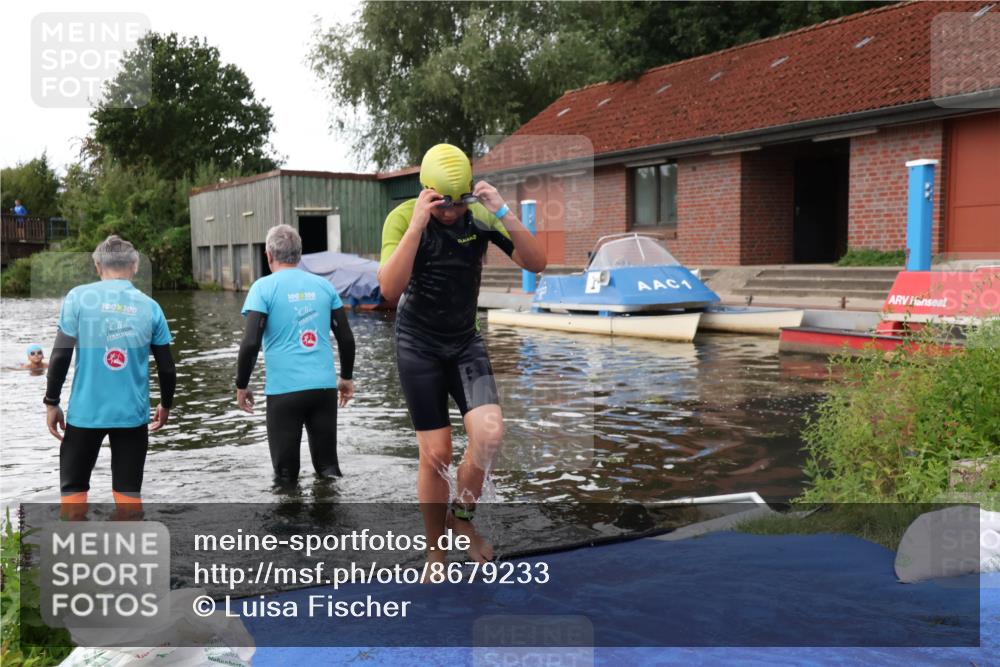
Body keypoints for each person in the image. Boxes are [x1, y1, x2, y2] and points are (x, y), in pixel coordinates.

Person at [378, 143, 546, 571]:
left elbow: (537, 262)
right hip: (418, 344)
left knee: (489, 436)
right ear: (427, 191)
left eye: (459, 202)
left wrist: (504, 211)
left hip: (464, 342)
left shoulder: (482, 216)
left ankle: (461, 518)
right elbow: (389, 291)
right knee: (437, 454)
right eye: (441, 203)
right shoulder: (402, 218)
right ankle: (436, 548)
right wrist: (417, 224)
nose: (450, 212)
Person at [44, 235, 176, 511]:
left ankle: (73, 548)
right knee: (128, 495)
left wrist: (51, 402)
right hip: (132, 416)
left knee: (73, 489)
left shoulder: (78, 298)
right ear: (135, 265)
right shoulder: (151, 307)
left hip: (85, 413)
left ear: (97, 265)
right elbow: (166, 366)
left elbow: (60, 356)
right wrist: (165, 404)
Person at [236, 224, 356, 485]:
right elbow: (346, 338)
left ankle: (290, 525)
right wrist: (346, 378)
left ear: (268, 255)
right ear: (299, 255)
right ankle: (334, 523)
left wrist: (241, 385)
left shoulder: (263, 288)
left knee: (286, 474)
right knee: (328, 468)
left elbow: (250, 342)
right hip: (323, 389)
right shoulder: (324, 287)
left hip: (284, 392)